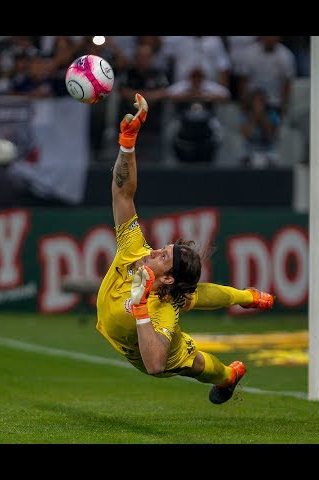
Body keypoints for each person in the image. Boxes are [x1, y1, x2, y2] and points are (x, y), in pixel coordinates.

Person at [95, 92, 275, 405]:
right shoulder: (134, 249)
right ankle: (247, 296)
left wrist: (139, 307)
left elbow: (154, 365)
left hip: (155, 351)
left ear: (166, 278)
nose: (153, 252)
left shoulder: (163, 311)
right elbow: (123, 194)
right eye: (161, 249)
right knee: (192, 294)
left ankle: (230, 377)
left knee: (201, 366)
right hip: (153, 306)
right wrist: (128, 141)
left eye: (162, 257)